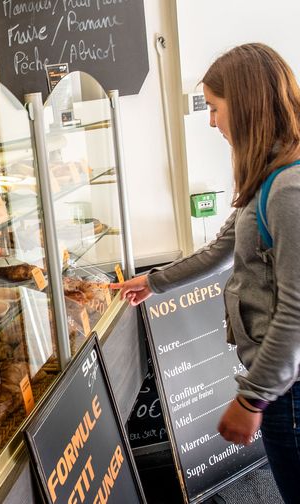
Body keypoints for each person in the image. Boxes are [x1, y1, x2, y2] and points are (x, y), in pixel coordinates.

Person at [113, 43, 300, 504]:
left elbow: (295, 314)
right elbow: (222, 248)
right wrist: (152, 281)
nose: (212, 122)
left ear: (247, 102)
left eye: (215, 108)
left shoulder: (288, 190)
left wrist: (252, 399)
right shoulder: (268, 173)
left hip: (289, 392)